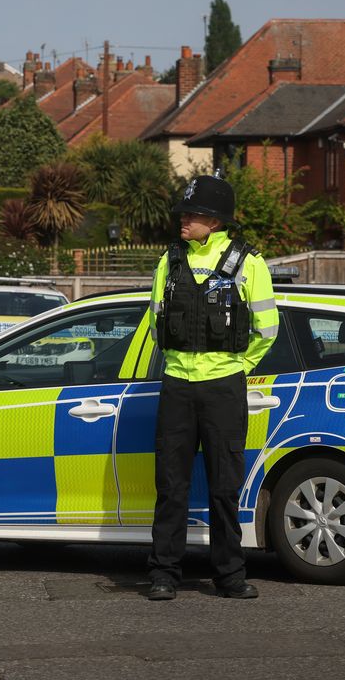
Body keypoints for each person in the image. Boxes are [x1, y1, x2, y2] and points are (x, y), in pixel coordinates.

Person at [145, 173, 277, 601]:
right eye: (183, 212)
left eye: (193, 213)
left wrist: (237, 366)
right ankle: (164, 574)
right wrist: (178, 365)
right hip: (178, 386)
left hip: (223, 388)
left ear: (216, 220)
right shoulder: (169, 260)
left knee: (224, 487)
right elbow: (155, 323)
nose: (183, 219)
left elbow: (268, 329)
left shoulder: (250, 263)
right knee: (171, 487)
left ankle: (230, 575)